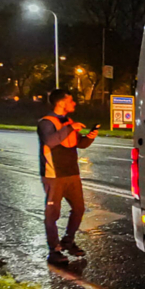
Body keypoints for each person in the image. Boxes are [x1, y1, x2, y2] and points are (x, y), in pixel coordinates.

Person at [38, 89, 98, 265]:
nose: (74, 103)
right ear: (61, 102)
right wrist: (70, 127)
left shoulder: (68, 121)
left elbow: (80, 143)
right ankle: (54, 250)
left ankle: (68, 241)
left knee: (79, 209)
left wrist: (90, 136)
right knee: (52, 214)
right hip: (54, 175)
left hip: (72, 173)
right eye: (71, 100)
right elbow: (51, 141)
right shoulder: (46, 122)